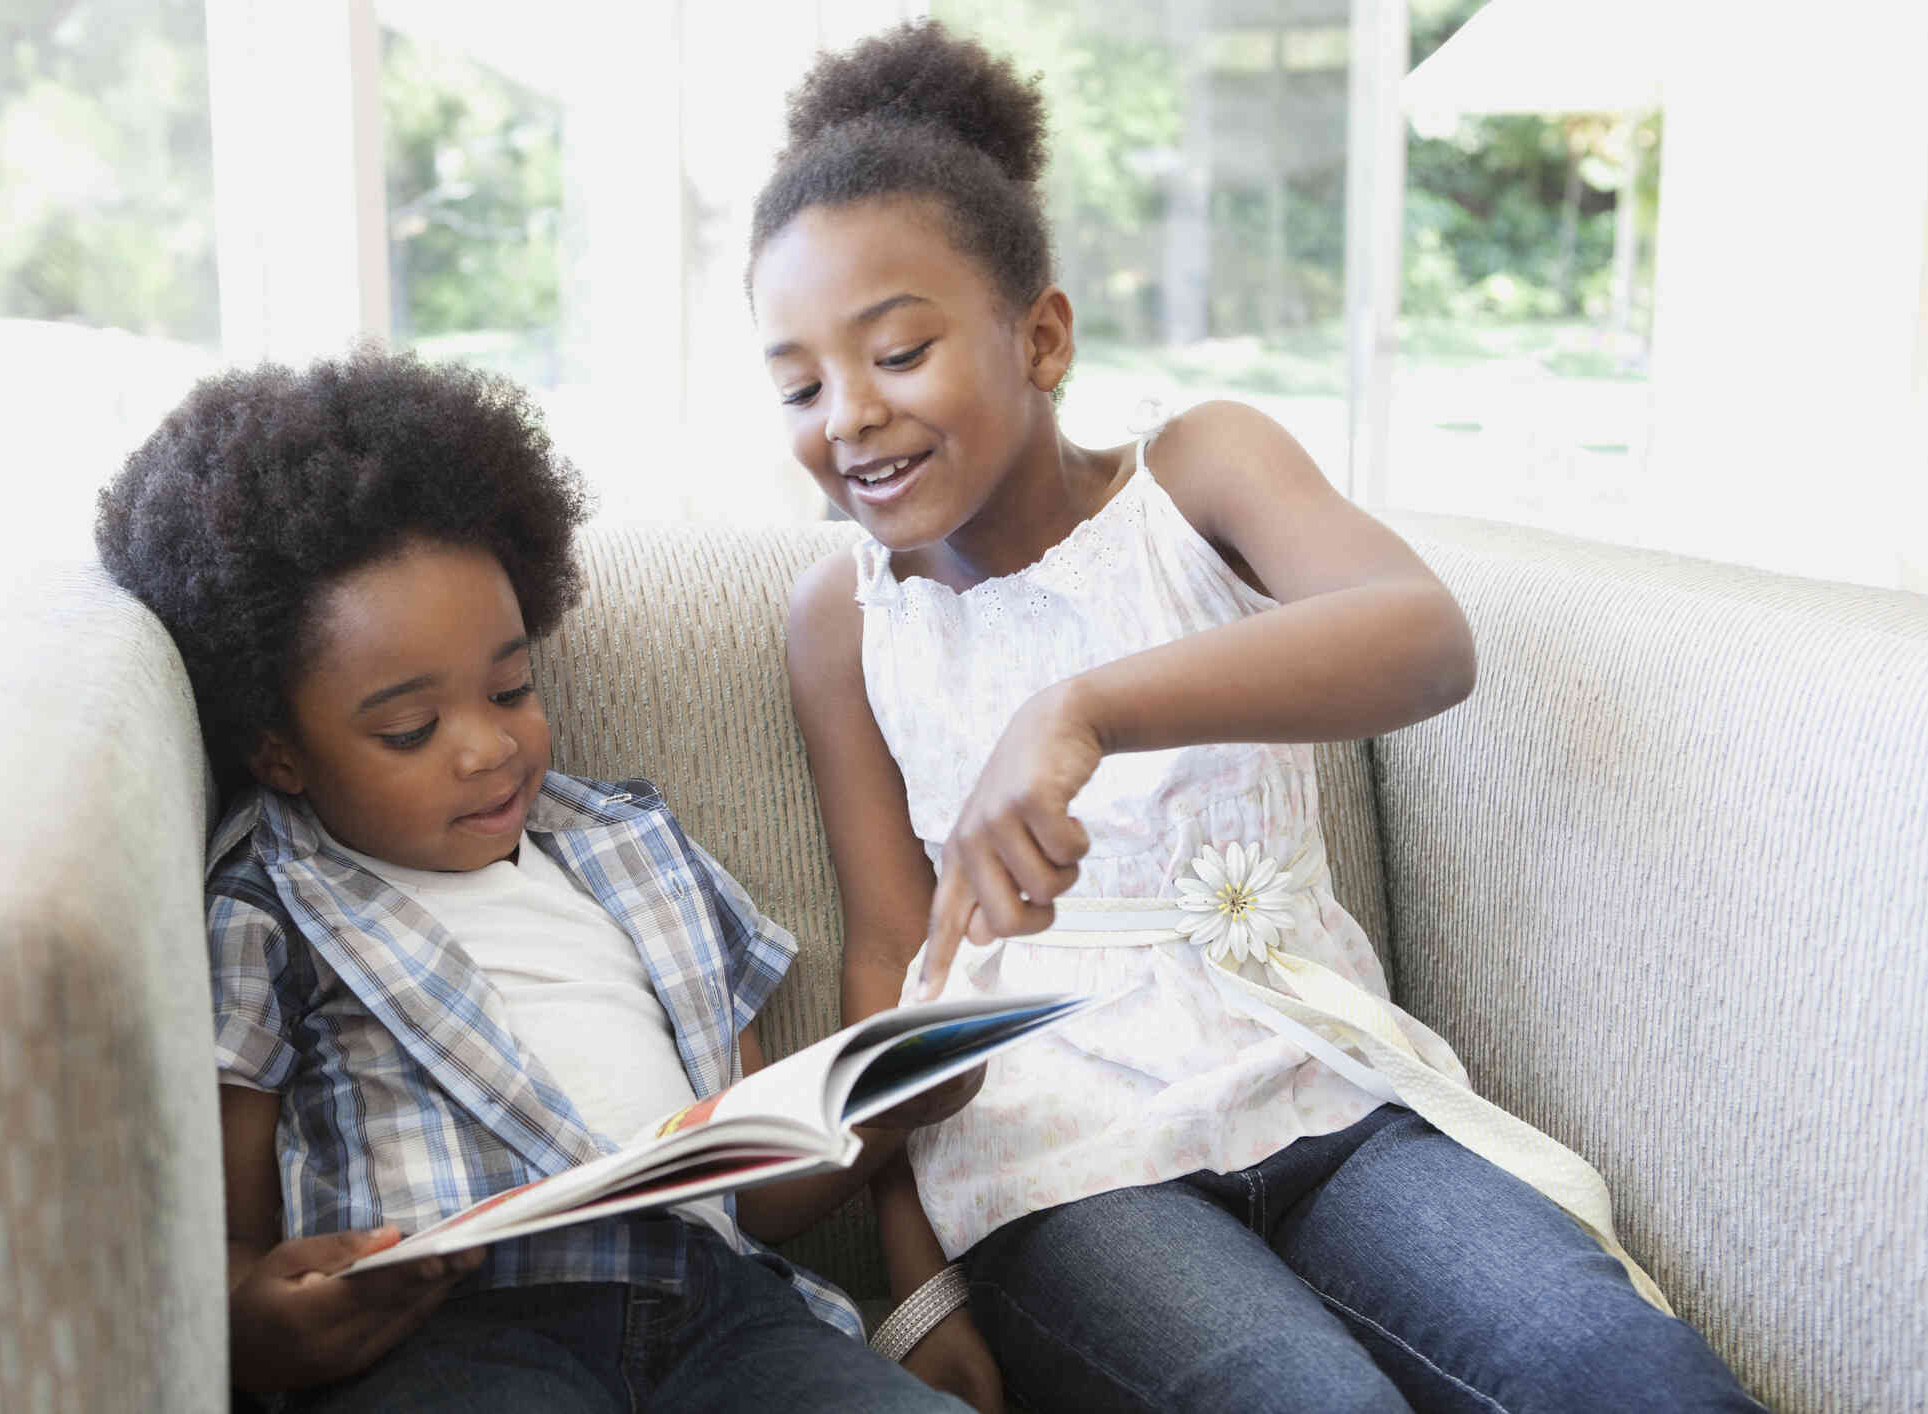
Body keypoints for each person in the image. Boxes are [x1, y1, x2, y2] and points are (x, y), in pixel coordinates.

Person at [751, 21, 1762, 1414]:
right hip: (1057, 1161)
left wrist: (1085, 704)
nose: (849, 415)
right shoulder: (841, 619)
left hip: (1325, 1090)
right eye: (800, 383)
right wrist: (917, 1279)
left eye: (899, 350)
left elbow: (1421, 639)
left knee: (1622, 1368)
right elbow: (894, 966)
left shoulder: (1200, 471)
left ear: (1039, 334)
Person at [94, 348, 976, 1412]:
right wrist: (262, 1319)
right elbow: (231, 1246)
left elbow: (759, 1191)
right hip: (455, 1335)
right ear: (279, 749)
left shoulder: (638, 847)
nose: (486, 749)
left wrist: (884, 1109)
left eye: (511, 688)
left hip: (723, 1314)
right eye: (412, 729)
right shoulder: (270, 901)